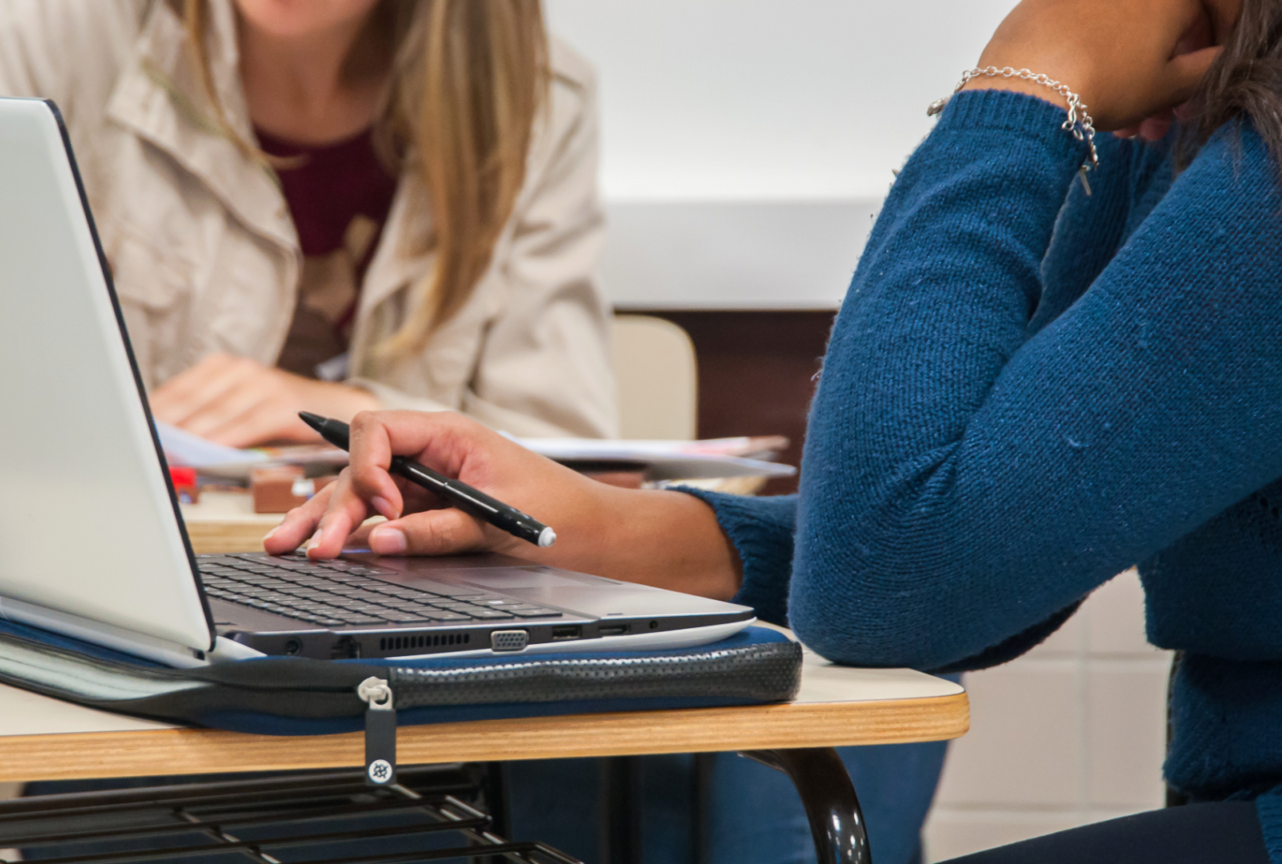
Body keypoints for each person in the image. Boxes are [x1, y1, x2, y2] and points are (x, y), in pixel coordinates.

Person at [268, 0, 1282, 860]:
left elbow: (898, 580)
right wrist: (592, 527)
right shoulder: (1196, 112)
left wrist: (1025, 83)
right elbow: (969, 554)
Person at [0, 0, 617, 444]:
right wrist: (61, 419)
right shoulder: (55, 37)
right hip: (118, 637)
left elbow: (571, 464)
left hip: (412, 657)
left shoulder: (539, 100)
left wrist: (343, 412)